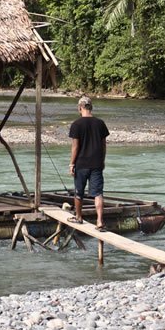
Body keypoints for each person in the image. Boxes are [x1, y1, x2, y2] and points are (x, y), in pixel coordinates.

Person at [68, 96, 110, 230]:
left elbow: (75, 146)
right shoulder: (100, 123)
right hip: (97, 163)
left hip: (81, 163)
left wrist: (71, 164)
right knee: (98, 193)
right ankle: (99, 221)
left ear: (80, 108)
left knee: (79, 192)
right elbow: (103, 145)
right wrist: (102, 161)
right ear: (91, 107)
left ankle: (79, 217)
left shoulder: (76, 124)